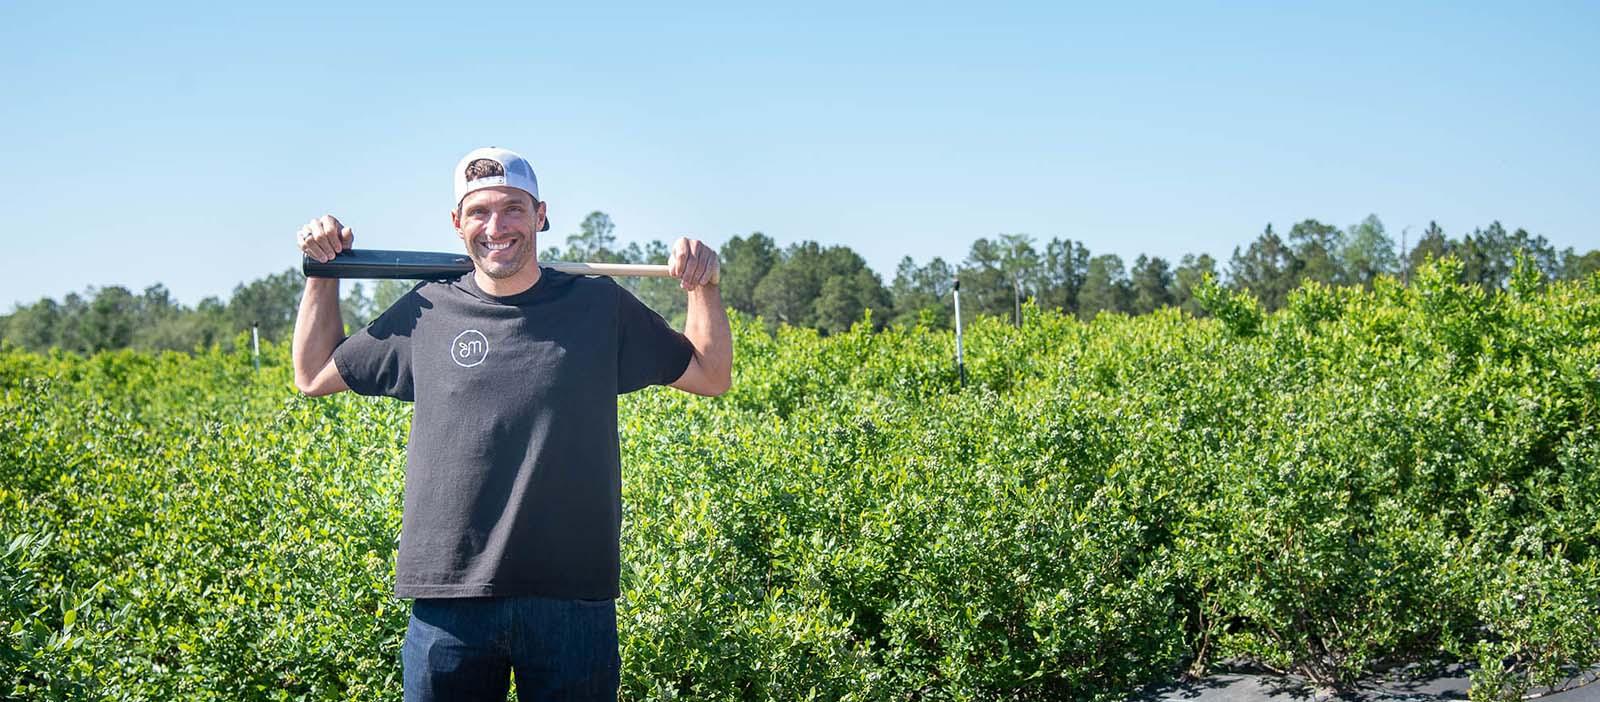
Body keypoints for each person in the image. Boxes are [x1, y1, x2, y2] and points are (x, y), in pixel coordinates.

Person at [290, 146, 732, 701]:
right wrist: (323, 273)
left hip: (572, 600)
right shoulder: (426, 309)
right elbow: (312, 374)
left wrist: (703, 287)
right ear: (457, 223)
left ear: (541, 214)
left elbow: (710, 374)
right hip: (448, 604)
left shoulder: (598, 305)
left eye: (513, 209)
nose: (496, 226)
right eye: (479, 212)